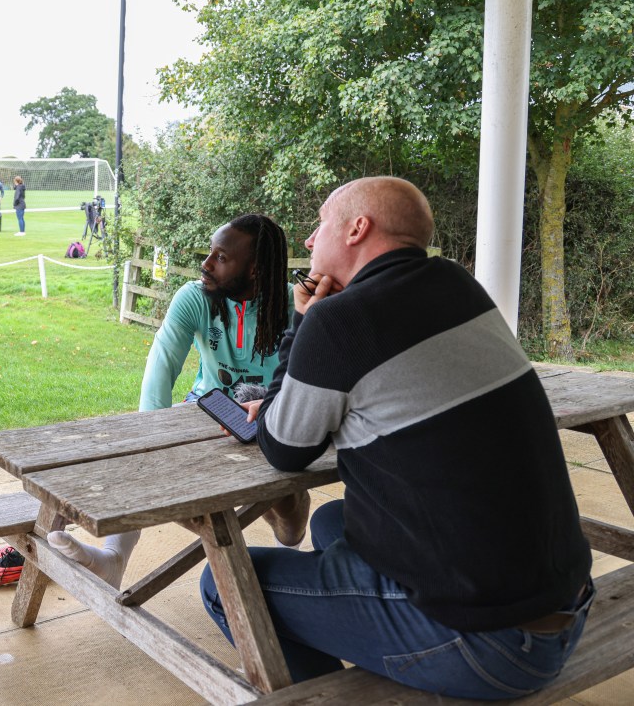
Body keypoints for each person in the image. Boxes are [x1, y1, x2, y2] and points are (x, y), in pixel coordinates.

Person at [200, 177, 593, 698]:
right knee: (331, 518)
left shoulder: (338, 321)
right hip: (565, 606)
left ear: (358, 228)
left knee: (225, 585)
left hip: (490, 646)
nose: (313, 240)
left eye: (322, 224)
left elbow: (282, 449)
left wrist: (303, 322)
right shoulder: (459, 287)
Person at [44, 214, 301, 588]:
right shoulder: (194, 297)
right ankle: (114, 557)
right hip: (206, 411)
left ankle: (290, 573)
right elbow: (160, 370)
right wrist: (148, 440)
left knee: (290, 523)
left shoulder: (298, 307)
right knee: (139, 461)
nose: (207, 263)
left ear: (255, 270)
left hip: (272, 420)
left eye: (221, 257)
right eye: (210, 252)